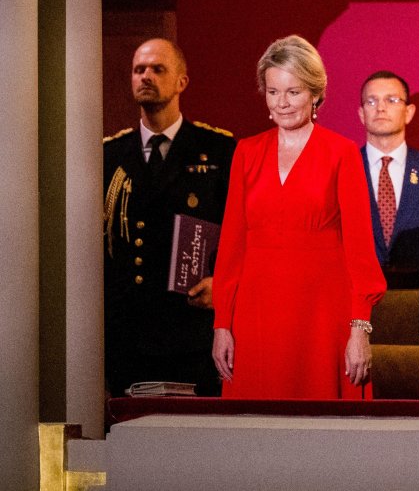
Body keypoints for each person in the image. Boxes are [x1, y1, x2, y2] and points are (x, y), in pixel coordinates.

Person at [211, 35, 385, 399]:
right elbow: (231, 246)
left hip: (322, 317)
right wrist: (222, 324)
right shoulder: (246, 152)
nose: (282, 103)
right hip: (256, 317)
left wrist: (359, 329)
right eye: (273, 92)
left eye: (293, 92)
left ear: (315, 94)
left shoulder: (342, 154)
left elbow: (360, 251)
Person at [103, 38, 236, 398]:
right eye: (138, 70)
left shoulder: (220, 151)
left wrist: (223, 286)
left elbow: (244, 235)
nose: (145, 76)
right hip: (127, 335)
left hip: (193, 332)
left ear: (181, 82)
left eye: (157, 69)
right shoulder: (109, 154)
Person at [358, 70, 419, 273]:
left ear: (409, 112)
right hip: (356, 294)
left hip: (416, 295)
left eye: (391, 100)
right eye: (371, 101)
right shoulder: (344, 169)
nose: (380, 108)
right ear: (361, 114)